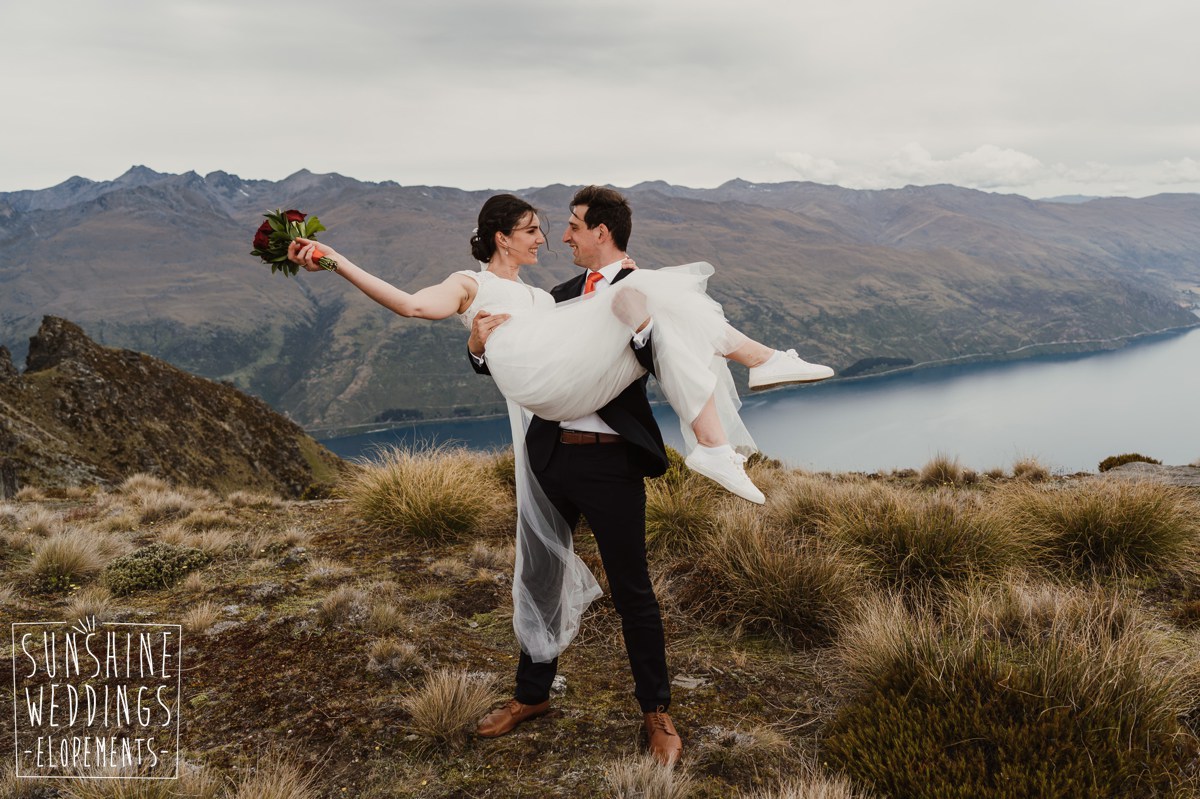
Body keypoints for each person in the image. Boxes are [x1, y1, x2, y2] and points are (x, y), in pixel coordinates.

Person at [287, 187, 832, 764]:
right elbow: (488, 341)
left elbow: (653, 357)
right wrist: (472, 345)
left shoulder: (619, 292)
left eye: (566, 227)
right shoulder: (557, 297)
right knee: (540, 573)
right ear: (503, 237)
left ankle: (656, 711)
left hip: (611, 460)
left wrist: (643, 324)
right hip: (547, 453)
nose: (552, 237)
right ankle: (532, 695)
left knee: (634, 591)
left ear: (602, 232)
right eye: (535, 229)